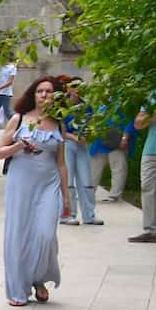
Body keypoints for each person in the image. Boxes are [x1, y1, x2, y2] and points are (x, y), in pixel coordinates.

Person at [0, 76, 70, 304]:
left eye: (49, 92)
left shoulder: (59, 124)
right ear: (33, 94)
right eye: (40, 91)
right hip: (20, 185)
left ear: (56, 96)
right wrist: (19, 145)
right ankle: (19, 288)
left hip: (48, 185)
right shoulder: (19, 120)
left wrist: (66, 197)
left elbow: (61, 163)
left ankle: (38, 277)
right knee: (19, 235)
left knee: (46, 235)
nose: (44, 95)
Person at [59, 76, 101, 225]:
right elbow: (59, 130)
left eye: (80, 86)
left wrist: (87, 135)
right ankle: (68, 214)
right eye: (75, 86)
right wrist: (73, 137)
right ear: (69, 88)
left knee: (86, 180)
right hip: (67, 144)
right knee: (68, 180)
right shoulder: (63, 107)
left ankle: (89, 215)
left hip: (82, 145)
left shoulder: (87, 107)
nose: (78, 90)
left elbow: (91, 125)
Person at [88, 105, 135, 204]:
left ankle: (114, 196)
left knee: (118, 168)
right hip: (100, 142)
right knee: (94, 169)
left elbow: (130, 121)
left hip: (117, 142)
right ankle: (88, 194)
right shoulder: (102, 106)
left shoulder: (125, 104)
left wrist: (125, 138)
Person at [132, 105, 156, 244]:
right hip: (152, 149)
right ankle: (151, 231)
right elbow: (138, 124)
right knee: (148, 188)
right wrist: (153, 116)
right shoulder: (152, 96)